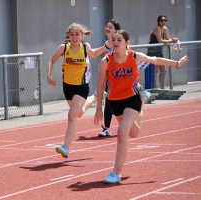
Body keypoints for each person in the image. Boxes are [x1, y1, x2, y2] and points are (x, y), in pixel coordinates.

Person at [94, 30, 188, 184]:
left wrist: (177, 63)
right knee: (133, 133)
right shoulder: (106, 61)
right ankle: (143, 105)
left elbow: (155, 60)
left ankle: (115, 173)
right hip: (114, 101)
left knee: (121, 133)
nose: (115, 42)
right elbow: (100, 84)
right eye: (113, 40)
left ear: (127, 43)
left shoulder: (134, 56)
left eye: (119, 40)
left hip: (132, 98)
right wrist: (99, 108)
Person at [47, 22, 113, 158]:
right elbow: (52, 61)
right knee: (79, 113)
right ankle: (95, 97)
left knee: (72, 115)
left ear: (82, 36)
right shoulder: (63, 48)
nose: (74, 37)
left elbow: (94, 54)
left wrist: (107, 46)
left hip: (81, 87)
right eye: (72, 34)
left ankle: (66, 146)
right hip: (68, 87)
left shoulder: (85, 47)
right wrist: (48, 75)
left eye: (77, 34)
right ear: (68, 36)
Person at [147, 14, 178, 89]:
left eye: (165, 20)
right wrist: (172, 40)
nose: (163, 22)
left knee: (163, 70)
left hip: (159, 51)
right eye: (161, 20)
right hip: (153, 51)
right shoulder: (157, 28)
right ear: (158, 21)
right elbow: (160, 40)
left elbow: (168, 39)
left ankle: (162, 88)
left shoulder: (165, 29)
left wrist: (175, 45)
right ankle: (154, 88)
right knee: (155, 70)